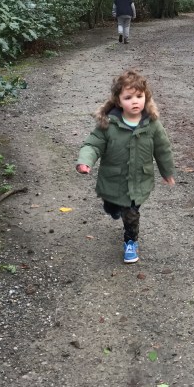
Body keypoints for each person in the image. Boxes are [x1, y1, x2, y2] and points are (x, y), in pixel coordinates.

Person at [75, 69, 175, 264]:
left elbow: (163, 149)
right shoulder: (108, 124)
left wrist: (167, 171)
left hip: (139, 181)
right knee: (113, 206)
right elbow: (93, 144)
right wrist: (85, 161)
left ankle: (130, 241)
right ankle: (113, 207)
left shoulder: (152, 124)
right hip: (114, 180)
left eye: (139, 96)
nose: (135, 101)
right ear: (118, 101)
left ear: (146, 98)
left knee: (130, 212)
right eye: (128, 98)